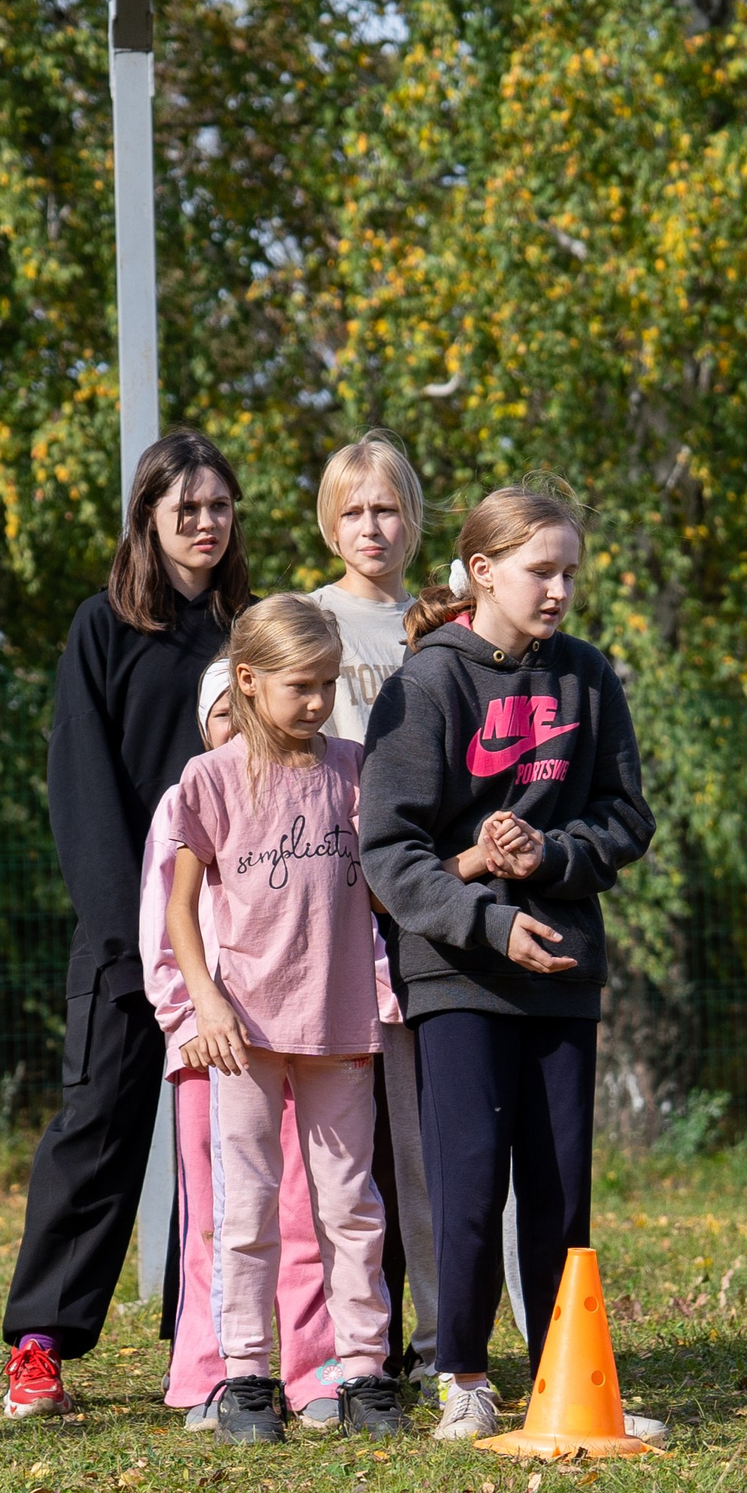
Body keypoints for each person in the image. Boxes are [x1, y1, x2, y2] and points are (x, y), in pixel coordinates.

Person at [358, 482, 658, 1444]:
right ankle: (464, 1377)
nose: (561, 589)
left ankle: (562, 1381)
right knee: (470, 1177)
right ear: (482, 571)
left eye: (571, 571)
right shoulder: (426, 684)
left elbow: (625, 817)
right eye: (542, 570)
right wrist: (487, 918)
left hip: (565, 968)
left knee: (562, 1189)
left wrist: (553, 856)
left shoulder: (588, 675)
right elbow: (389, 852)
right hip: (460, 974)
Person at [2, 429, 252, 1420]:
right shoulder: (100, 627)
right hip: (128, 937)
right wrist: (131, 937)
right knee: (98, 1128)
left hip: (238, 940)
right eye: (184, 506)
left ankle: (215, 1340)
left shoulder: (252, 632)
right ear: (148, 516)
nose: (203, 522)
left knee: (224, 1142)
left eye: (218, 507)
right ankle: (38, 1341)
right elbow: (82, 793)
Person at [168, 593, 405, 1445]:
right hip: (245, 1036)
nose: (317, 702)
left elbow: (385, 879)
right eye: (301, 686)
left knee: (349, 1205)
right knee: (248, 1209)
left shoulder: (353, 766)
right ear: (248, 680)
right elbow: (181, 906)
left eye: (328, 685)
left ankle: (366, 1371)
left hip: (339, 1023)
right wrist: (206, 1000)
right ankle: (246, 1376)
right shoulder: (210, 779)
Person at [148, 659, 346, 1432]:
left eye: (244, 712)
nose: (236, 727)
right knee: (220, 1215)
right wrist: (188, 1019)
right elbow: (164, 919)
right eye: (221, 715)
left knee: (302, 1207)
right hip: (212, 1044)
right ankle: (210, 1373)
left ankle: (310, 1368)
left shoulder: (320, 783)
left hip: (302, 1035)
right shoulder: (190, 795)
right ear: (206, 724)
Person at [305, 432, 447, 1394]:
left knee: (422, 1137)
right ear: (329, 521)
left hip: (424, 899)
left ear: (413, 518)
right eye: (353, 510)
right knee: (335, 1147)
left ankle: (443, 1342)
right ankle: (346, 1351)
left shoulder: (444, 622)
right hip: (321, 905)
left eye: (386, 508)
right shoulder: (301, 619)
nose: (371, 526)